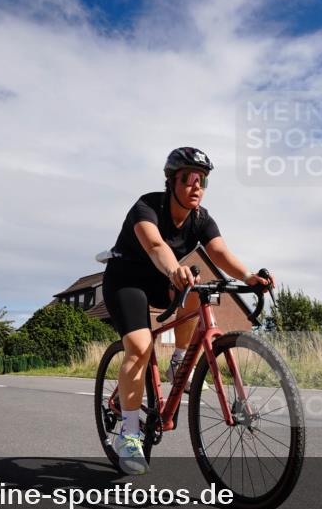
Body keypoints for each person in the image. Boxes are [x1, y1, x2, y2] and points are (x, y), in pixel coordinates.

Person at [102, 147, 272, 475]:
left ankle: (180, 360)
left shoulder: (201, 218)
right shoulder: (147, 206)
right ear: (172, 182)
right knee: (139, 347)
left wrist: (249, 277)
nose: (197, 186)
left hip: (165, 279)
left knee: (199, 285)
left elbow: (220, 252)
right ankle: (129, 433)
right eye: (189, 178)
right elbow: (155, 246)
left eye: (203, 180)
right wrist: (173, 271)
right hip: (126, 279)